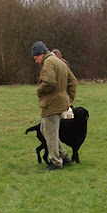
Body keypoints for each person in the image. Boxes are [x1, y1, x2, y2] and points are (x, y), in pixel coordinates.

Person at [32, 41, 77, 170]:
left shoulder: (48, 63)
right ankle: (63, 156)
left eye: (36, 58)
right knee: (44, 129)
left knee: (50, 132)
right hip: (61, 101)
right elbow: (73, 81)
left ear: (41, 54)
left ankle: (56, 162)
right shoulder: (60, 62)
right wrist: (69, 98)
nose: (36, 61)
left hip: (52, 103)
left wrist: (39, 90)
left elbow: (50, 82)